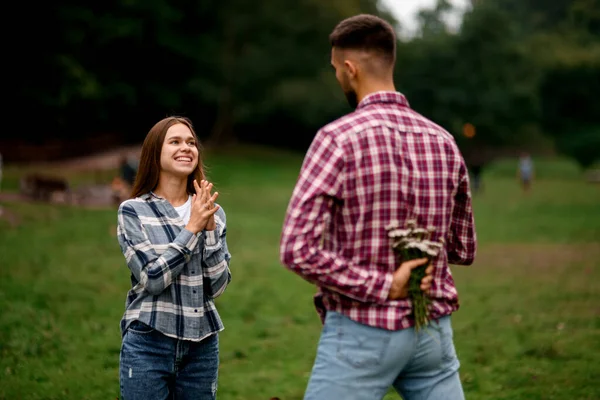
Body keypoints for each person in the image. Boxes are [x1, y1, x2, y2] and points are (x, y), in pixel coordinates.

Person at [279, 14, 476, 400]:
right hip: (432, 331)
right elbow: (462, 249)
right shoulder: (444, 140)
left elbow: (296, 250)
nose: (338, 77)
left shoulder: (336, 139)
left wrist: (384, 284)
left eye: (336, 70)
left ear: (350, 69)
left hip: (363, 330)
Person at [116, 116, 232, 400]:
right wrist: (192, 227)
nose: (186, 148)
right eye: (175, 141)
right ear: (155, 153)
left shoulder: (213, 213)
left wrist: (210, 231)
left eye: (191, 142)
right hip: (149, 342)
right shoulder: (133, 212)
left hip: (202, 348)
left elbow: (217, 287)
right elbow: (153, 278)